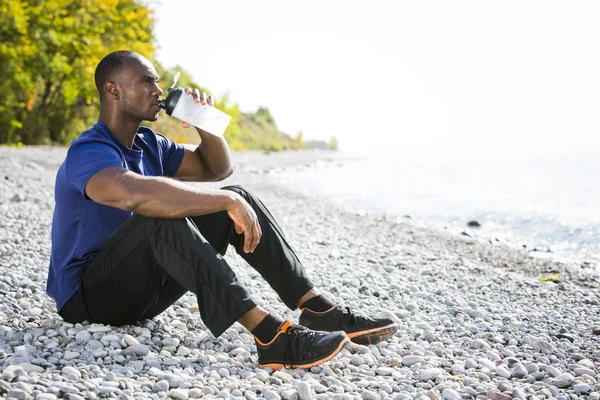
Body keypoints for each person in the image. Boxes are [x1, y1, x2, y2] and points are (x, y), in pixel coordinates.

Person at [47, 50, 397, 370]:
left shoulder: (150, 144)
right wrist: (223, 201)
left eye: (157, 81)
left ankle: (318, 309)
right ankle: (271, 336)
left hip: (139, 296)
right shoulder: (88, 150)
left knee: (236, 193)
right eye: (146, 81)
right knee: (164, 217)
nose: (158, 90)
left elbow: (216, 169)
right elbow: (132, 195)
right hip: (88, 300)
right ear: (113, 91)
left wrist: (206, 124)